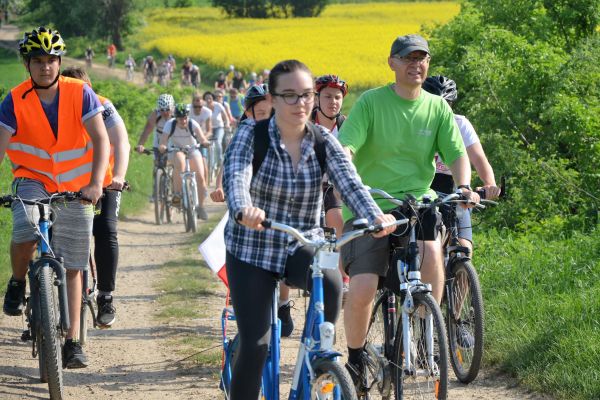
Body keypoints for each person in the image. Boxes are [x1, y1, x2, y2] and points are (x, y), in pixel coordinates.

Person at [222, 59, 396, 400]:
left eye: (305, 95)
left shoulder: (322, 142)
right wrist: (243, 209)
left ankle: (317, 365)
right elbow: (236, 177)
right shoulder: (251, 135)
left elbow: (351, 183)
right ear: (271, 100)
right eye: (289, 95)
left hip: (302, 244)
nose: (300, 103)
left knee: (331, 285)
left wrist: (374, 216)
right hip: (252, 248)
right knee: (256, 344)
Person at [336, 34, 479, 390]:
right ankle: (354, 359)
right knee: (365, 285)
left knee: (433, 251)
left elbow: (457, 153)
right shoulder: (371, 103)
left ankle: (423, 322)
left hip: (419, 203)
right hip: (372, 204)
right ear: (392, 63)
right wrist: (349, 178)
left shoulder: (437, 107)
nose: (417, 64)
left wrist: (463, 186)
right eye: (408, 58)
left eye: (422, 58)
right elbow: (346, 148)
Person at [0, 27, 110, 368]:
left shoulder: (81, 93)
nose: (45, 67)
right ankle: (18, 282)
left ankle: (73, 341)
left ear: (60, 62)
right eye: (38, 61)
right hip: (33, 180)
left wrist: (95, 184)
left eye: (51, 60)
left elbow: (101, 140)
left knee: (74, 264)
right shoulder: (13, 100)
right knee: (24, 228)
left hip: (77, 186)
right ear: (27, 64)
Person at [61, 66, 130, 328]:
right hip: (67, 187)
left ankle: (105, 296)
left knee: (105, 231)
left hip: (104, 183)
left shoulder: (103, 106)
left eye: (83, 90)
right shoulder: (56, 109)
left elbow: (121, 141)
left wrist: (119, 176)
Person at [423, 75, 500, 255]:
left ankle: (461, 278)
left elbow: (479, 158)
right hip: (424, 187)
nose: (441, 108)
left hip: (455, 189)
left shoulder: (460, 124)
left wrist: (490, 184)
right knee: (428, 248)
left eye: (446, 103)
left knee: (464, 248)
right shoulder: (417, 124)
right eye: (435, 103)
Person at [210, 83, 271, 203]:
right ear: (248, 114)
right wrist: (219, 187)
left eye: (272, 112)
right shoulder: (242, 135)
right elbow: (230, 160)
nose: (267, 118)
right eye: (261, 113)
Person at [158, 103, 210, 220]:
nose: (183, 120)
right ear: (175, 118)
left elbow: (202, 138)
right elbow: (163, 141)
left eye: (185, 117)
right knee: (180, 162)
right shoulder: (169, 125)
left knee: (200, 176)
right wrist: (162, 147)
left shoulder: (193, 124)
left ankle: (200, 207)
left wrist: (205, 142)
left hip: (192, 150)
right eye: (180, 118)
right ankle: (177, 195)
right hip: (176, 150)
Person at [135, 94, 175, 201]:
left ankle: (176, 191)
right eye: (162, 110)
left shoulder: (176, 115)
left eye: (167, 109)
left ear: (172, 107)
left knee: (174, 164)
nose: (165, 112)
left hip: (173, 140)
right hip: (158, 140)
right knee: (157, 164)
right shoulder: (155, 115)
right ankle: (155, 191)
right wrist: (141, 145)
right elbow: (147, 131)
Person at [203, 91, 231, 168]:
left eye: (210, 98)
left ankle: (219, 161)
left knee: (218, 141)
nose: (208, 100)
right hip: (208, 129)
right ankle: (209, 163)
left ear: (213, 99)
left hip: (219, 127)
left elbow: (226, 117)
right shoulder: (203, 107)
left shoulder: (218, 105)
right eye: (206, 99)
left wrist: (227, 123)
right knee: (207, 144)